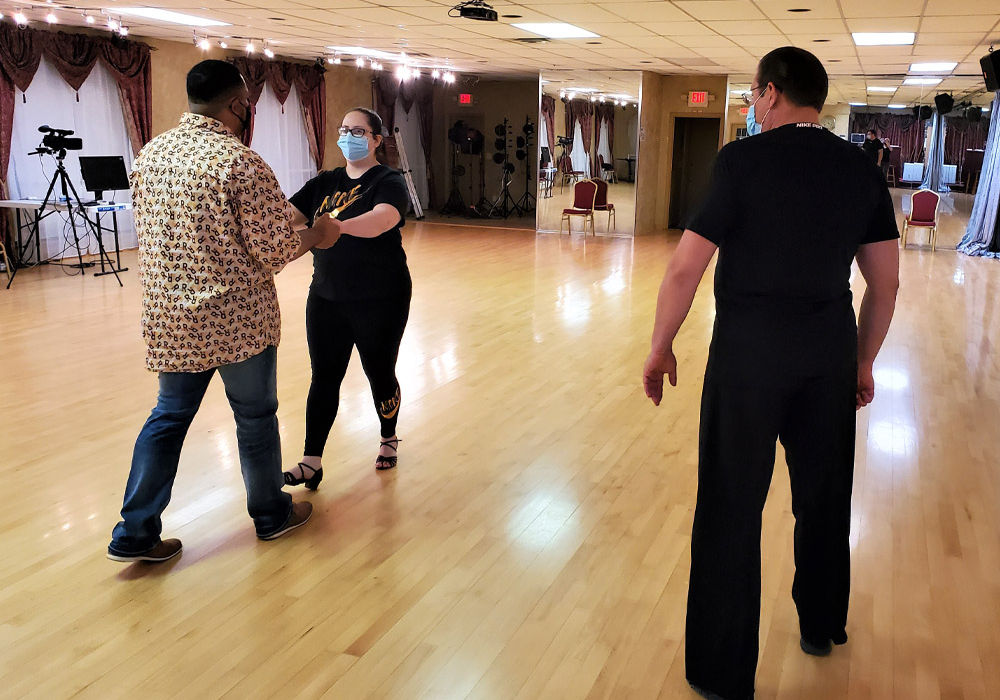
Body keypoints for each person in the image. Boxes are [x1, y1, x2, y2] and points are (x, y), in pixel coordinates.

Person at [642, 47, 899, 700]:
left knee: (730, 506)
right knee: (824, 497)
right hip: (826, 357)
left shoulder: (740, 161)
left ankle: (722, 673)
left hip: (748, 359)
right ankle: (821, 624)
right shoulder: (859, 168)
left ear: (773, 93)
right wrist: (863, 361)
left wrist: (660, 346)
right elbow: (885, 282)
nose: (753, 105)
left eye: (755, 94)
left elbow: (685, 267)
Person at [107, 60, 341, 563]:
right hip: (238, 320)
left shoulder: (150, 155)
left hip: (173, 318)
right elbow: (275, 249)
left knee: (168, 418)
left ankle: (135, 531)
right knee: (255, 418)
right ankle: (270, 514)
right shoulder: (240, 162)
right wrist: (319, 234)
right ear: (237, 104)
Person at [282, 107, 412, 490]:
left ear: (375, 140)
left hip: (380, 297)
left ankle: (388, 437)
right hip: (327, 296)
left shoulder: (388, 180)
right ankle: (311, 461)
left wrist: (336, 228)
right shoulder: (325, 182)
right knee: (324, 377)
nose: (348, 136)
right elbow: (287, 216)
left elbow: (383, 218)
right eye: (343, 130)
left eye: (357, 131)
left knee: (379, 372)